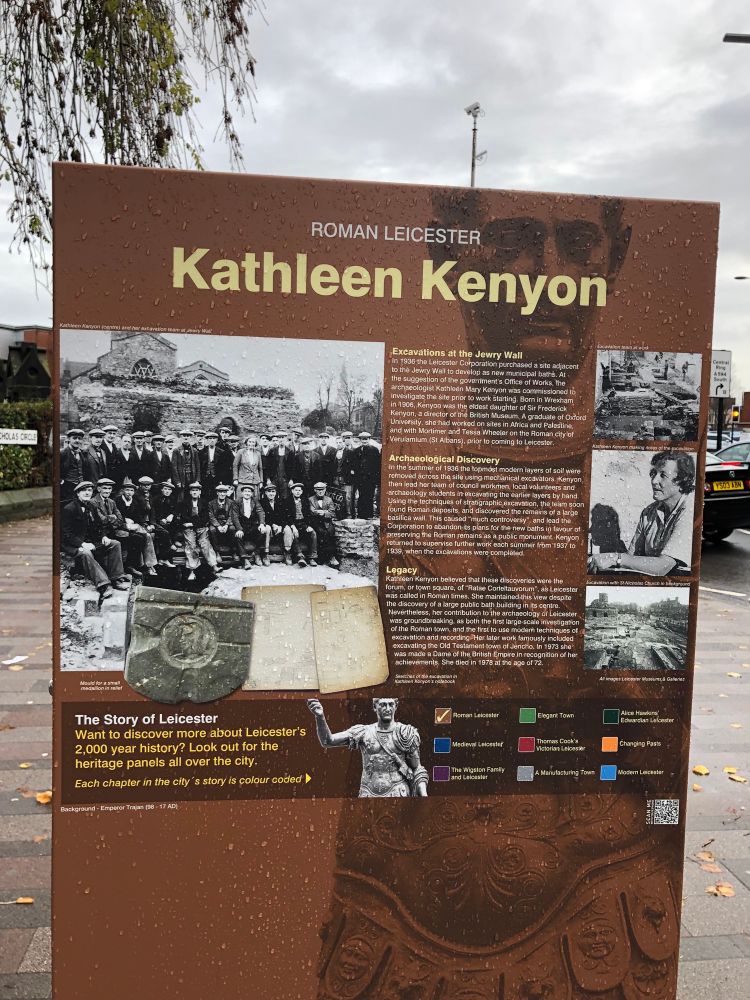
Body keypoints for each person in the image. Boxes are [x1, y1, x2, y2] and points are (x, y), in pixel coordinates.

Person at [588, 451, 695, 577]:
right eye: (653, 473)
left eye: (663, 475)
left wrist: (615, 558)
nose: (654, 481)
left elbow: (663, 567)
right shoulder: (649, 513)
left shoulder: (690, 511)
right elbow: (632, 558)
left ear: (681, 480)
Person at [307, 698, 428, 798]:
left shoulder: (406, 733)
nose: (387, 708)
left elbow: (417, 769)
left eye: (391, 704)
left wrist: (424, 796)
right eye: (383, 705)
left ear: (396, 706)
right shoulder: (363, 732)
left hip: (398, 792)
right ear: (375, 707)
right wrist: (320, 716)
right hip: (368, 793)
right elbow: (328, 741)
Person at [60, 481, 130, 599]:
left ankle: (116, 578)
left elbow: (98, 526)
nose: (87, 493)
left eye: (89, 490)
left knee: (115, 544)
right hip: (73, 544)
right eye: (84, 491)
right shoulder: (69, 509)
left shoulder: (91, 506)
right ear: (78, 493)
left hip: (89, 541)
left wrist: (103, 536)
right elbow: (66, 534)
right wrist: (81, 544)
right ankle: (104, 585)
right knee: (86, 553)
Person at [115, 478, 158, 577]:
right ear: (123, 491)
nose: (129, 492)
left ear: (134, 492)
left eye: (131, 490)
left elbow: (138, 517)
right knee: (139, 538)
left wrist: (143, 525)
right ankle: (138, 565)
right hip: (120, 527)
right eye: (127, 490)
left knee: (147, 535)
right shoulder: (117, 501)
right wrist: (126, 520)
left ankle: (148, 564)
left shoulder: (134, 502)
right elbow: (117, 516)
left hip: (132, 526)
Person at [180, 482, 218, 581]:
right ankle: (192, 571)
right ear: (190, 492)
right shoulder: (184, 503)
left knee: (205, 544)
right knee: (191, 546)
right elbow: (184, 517)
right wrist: (194, 522)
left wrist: (192, 523)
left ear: (200, 492)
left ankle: (214, 566)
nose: (194, 492)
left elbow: (205, 518)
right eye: (193, 490)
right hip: (189, 529)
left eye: (196, 490)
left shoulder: (204, 503)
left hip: (200, 528)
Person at [283, 482, 317, 566]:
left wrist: (309, 526)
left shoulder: (305, 500)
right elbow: (287, 516)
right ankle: (300, 557)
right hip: (293, 523)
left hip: (303, 523)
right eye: (296, 490)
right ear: (292, 491)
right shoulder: (287, 501)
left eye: (299, 490)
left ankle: (312, 557)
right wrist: (293, 526)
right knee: (294, 534)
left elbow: (308, 515)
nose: (297, 492)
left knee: (313, 533)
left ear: (301, 492)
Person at [258, 482, 292, 565]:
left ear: (276, 493)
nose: (271, 493)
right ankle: (266, 554)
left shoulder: (281, 502)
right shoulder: (261, 502)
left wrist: (281, 526)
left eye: (273, 491)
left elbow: (285, 516)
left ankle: (287, 552)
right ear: (265, 493)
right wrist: (273, 525)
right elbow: (263, 516)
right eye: (269, 492)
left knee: (287, 529)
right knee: (267, 528)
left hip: (279, 525)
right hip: (269, 525)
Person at [208, 483, 241, 567]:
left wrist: (226, 525)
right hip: (216, 523)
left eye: (224, 492)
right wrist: (218, 526)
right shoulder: (211, 503)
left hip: (227, 522)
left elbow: (232, 515)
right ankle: (217, 552)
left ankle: (233, 552)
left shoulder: (231, 502)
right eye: (220, 492)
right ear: (217, 493)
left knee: (233, 529)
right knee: (211, 530)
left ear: (226, 493)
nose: (222, 494)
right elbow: (211, 516)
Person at [308, 482, 339, 568]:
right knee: (321, 533)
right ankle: (321, 558)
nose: (320, 492)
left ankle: (332, 557)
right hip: (315, 522)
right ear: (315, 490)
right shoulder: (310, 499)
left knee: (331, 532)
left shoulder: (329, 500)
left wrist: (324, 513)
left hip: (327, 521)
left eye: (322, 490)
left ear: (325, 490)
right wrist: (321, 512)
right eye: (318, 490)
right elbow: (311, 511)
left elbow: (332, 512)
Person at [235, 483, 265, 569]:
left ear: (252, 493)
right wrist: (239, 529)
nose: (247, 493)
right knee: (237, 536)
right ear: (242, 493)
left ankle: (256, 554)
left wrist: (262, 524)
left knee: (262, 531)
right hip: (242, 526)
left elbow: (260, 512)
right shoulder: (237, 502)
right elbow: (235, 516)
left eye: (249, 491)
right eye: (245, 491)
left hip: (252, 525)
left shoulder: (255, 501)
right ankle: (244, 559)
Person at [152, 480, 179, 567]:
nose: (167, 491)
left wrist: (171, 515)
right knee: (164, 534)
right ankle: (165, 556)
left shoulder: (172, 499)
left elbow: (175, 510)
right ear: (162, 490)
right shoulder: (155, 499)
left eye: (169, 490)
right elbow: (154, 513)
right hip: (157, 521)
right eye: (165, 489)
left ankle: (164, 558)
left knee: (176, 522)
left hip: (168, 521)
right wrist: (161, 519)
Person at [200, 430, 233, 500]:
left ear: (217, 440)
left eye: (214, 438)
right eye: (210, 438)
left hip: (217, 478)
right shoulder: (202, 452)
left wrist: (221, 479)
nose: (212, 440)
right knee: (204, 495)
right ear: (207, 440)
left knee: (215, 495)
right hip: (205, 478)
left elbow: (224, 468)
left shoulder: (222, 452)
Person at [354, 431, 380, 518]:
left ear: (369, 439)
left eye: (366, 439)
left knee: (369, 496)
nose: (364, 441)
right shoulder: (357, 450)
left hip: (370, 479)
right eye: (362, 439)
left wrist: (375, 479)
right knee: (361, 496)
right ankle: (361, 515)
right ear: (360, 440)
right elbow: (355, 465)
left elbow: (377, 465)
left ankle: (369, 515)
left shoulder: (374, 450)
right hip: (360, 478)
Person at [171, 429, 201, 501]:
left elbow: (197, 466)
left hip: (192, 477)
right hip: (182, 478)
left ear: (190, 438)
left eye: (188, 436)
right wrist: (177, 481)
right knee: (181, 498)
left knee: (192, 497)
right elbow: (174, 467)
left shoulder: (194, 451)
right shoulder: (176, 450)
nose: (186, 437)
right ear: (181, 437)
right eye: (184, 436)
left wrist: (197, 480)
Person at [233, 435, 264, 501]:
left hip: (255, 481)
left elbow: (260, 468)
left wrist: (261, 481)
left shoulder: (258, 453)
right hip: (243, 480)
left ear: (255, 443)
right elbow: (235, 465)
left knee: (255, 500)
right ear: (246, 442)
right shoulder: (241, 452)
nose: (251, 444)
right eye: (250, 442)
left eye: (253, 442)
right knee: (240, 500)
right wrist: (235, 479)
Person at [60, 428, 86, 502]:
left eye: (79, 438)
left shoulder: (82, 453)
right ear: (69, 439)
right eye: (74, 438)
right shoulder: (62, 453)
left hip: (81, 486)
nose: (77, 440)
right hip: (67, 487)